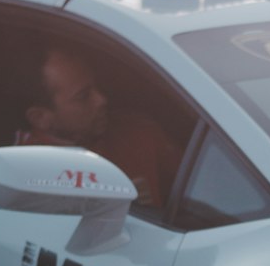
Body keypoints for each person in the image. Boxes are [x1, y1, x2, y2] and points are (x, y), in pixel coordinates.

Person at [13, 46, 182, 209]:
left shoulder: (139, 133)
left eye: (97, 87)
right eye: (83, 97)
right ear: (41, 118)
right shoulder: (25, 176)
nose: (102, 100)